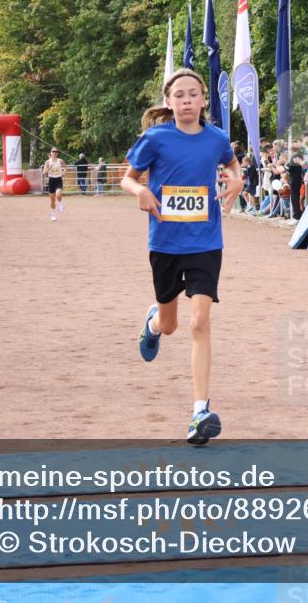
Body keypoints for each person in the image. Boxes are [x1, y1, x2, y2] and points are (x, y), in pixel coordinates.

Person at [122, 68, 242, 446]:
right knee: (172, 325)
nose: (187, 100)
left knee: (200, 323)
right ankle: (155, 323)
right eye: (180, 95)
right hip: (166, 243)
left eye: (194, 94)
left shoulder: (217, 139)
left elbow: (232, 165)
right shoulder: (155, 138)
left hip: (206, 241)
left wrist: (237, 179)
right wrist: (138, 191)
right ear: (168, 101)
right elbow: (129, 177)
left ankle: (199, 411)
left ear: (205, 100)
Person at [43, 147, 67, 221]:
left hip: (58, 179)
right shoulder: (47, 162)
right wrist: (49, 168)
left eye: (56, 151)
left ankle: (60, 203)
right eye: (53, 151)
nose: (54, 153)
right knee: (52, 200)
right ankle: (53, 214)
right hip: (51, 180)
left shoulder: (60, 161)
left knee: (58, 194)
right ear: (50, 153)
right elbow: (44, 173)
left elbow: (65, 167)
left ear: (57, 153)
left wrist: (64, 172)